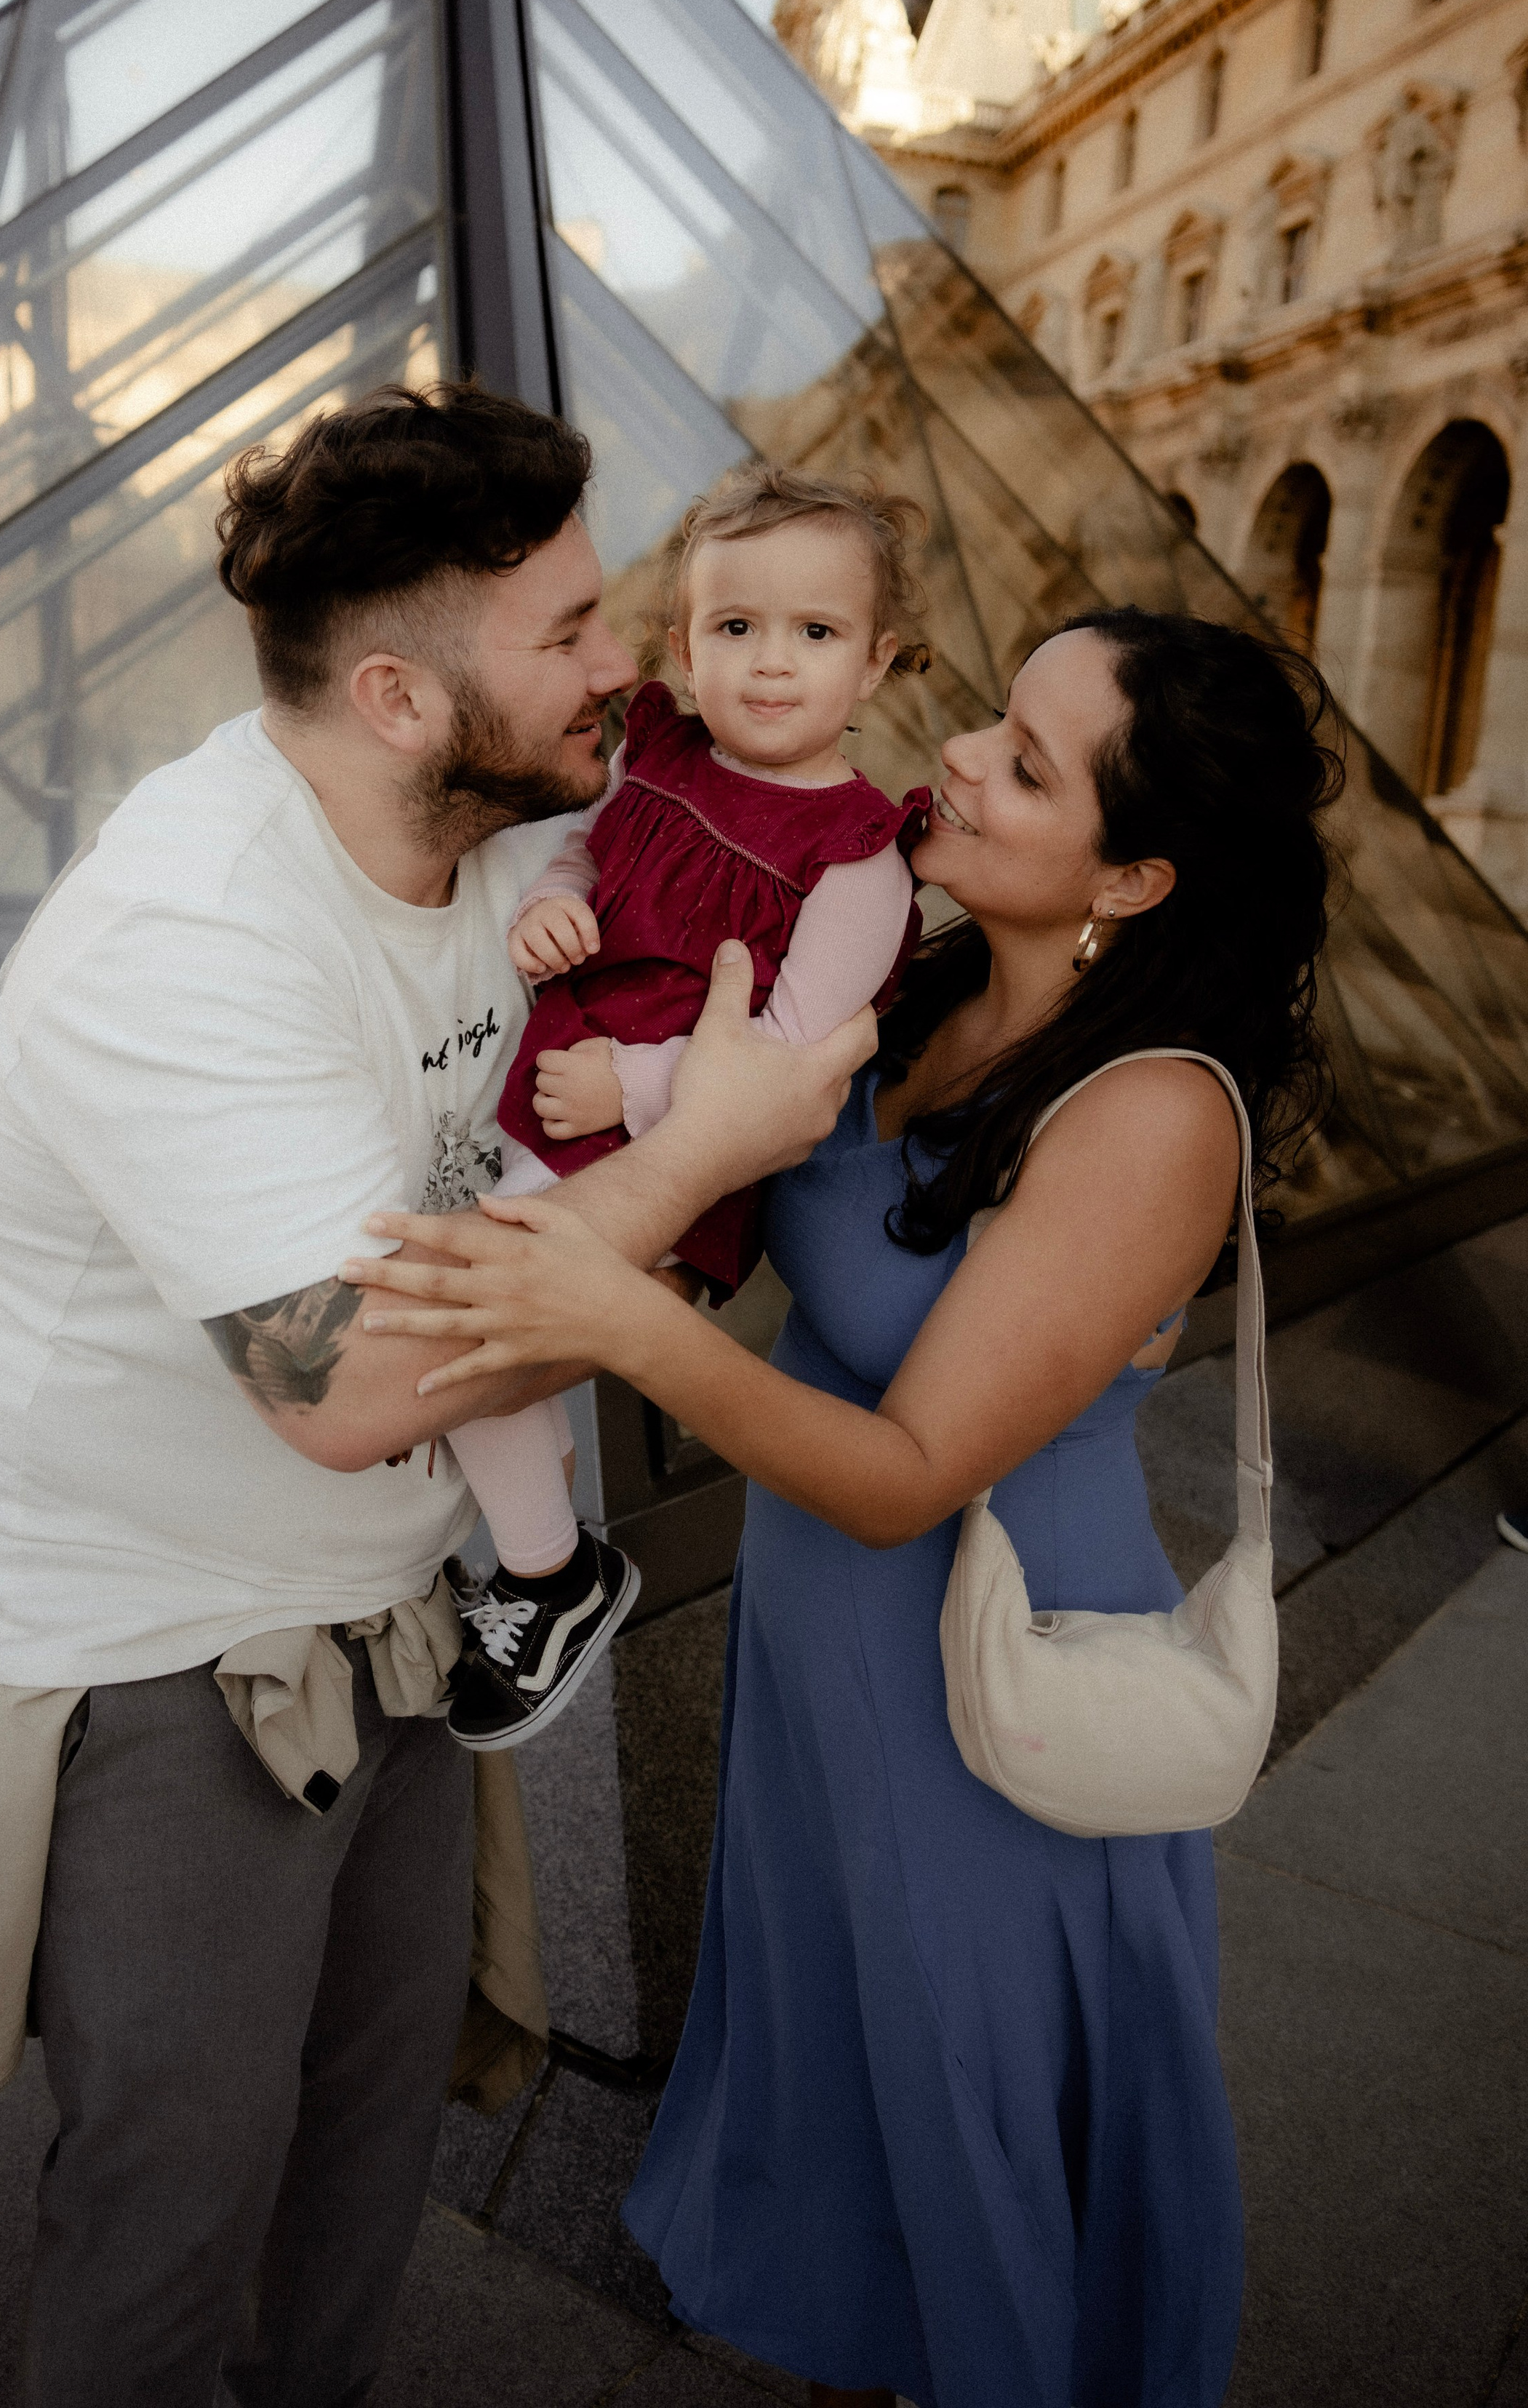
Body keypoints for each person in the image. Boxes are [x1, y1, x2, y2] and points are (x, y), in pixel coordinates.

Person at [0, 380, 872, 2407]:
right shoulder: (190, 938)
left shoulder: (521, 831)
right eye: (580, 635)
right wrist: (699, 1150)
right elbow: (361, 1388)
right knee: (177, 2192)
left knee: (367, 2128)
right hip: (156, 1645)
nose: (637, 665)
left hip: (405, 1603)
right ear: (407, 700)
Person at [350, 604, 1343, 2408]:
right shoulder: (926, 978)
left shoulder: (1147, 1116)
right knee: (855, 2068)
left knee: (961, 2101)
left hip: (985, 1678)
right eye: (987, 720)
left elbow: (903, 1477)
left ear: (1130, 876)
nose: (953, 754)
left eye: (1024, 767)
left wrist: (620, 1325)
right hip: (827, 1650)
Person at [440, 463, 933, 1752]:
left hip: (659, 1139)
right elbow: (583, 850)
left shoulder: (860, 860)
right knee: (468, 1317)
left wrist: (635, 1082)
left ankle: (550, 1575)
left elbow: (793, 1061)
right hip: (556, 1084)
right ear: (680, 646)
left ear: (875, 665)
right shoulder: (650, 750)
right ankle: (520, 1517)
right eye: (736, 629)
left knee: (469, 1325)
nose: (771, 667)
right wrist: (555, 896)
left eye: (815, 635)